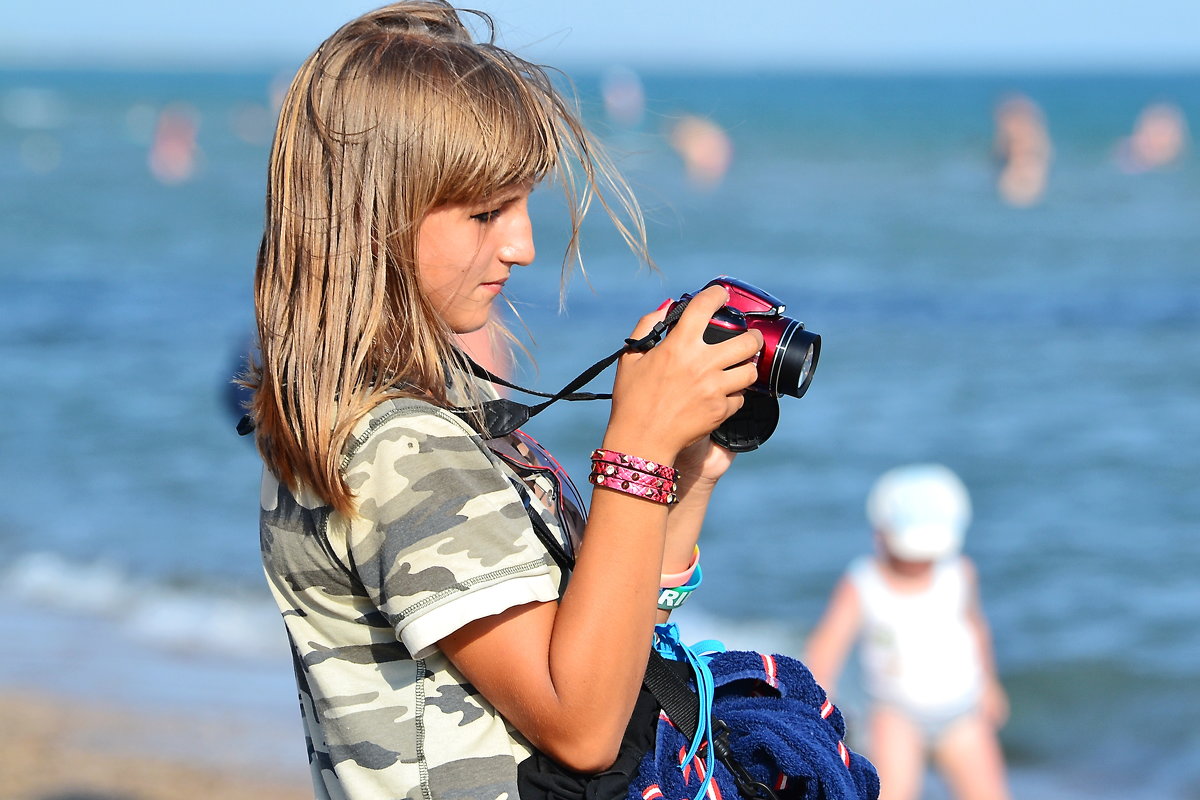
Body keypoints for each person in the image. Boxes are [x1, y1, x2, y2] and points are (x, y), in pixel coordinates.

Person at [243, 3, 764, 799]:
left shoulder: (420, 417)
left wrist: (685, 471)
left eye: (523, 205)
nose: (521, 245)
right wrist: (638, 454)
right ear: (373, 216)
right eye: (486, 212)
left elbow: (612, 655)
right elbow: (584, 725)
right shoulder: (395, 446)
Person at [805, 465, 1011, 800]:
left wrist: (989, 684)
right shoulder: (864, 583)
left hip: (963, 711)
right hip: (896, 714)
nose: (919, 561)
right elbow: (828, 647)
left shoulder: (959, 573)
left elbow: (975, 627)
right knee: (892, 791)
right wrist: (817, 708)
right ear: (880, 536)